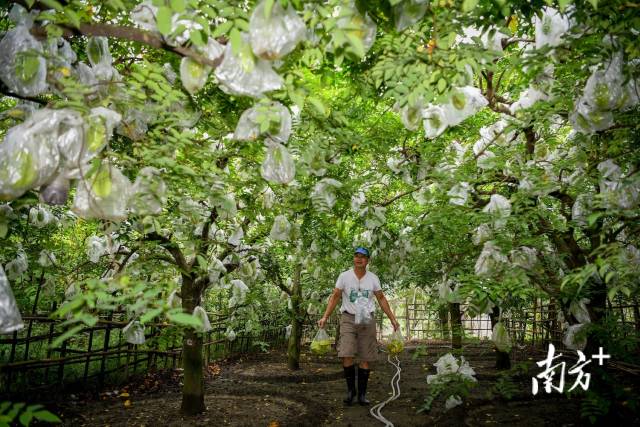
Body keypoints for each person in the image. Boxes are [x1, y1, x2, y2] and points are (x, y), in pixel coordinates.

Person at [318, 246, 400, 406]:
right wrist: (325, 316)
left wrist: (393, 319)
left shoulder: (373, 278)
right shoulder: (344, 276)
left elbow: (381, 298)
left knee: (365, 355)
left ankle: (362, 394)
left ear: (367, 260)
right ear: (353, 259)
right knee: (346, 352)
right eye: (356, 256)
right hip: (348, 317)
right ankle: (351, 392)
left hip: (366, 319)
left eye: (362, 256)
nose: (359, 259)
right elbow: (335, 296)